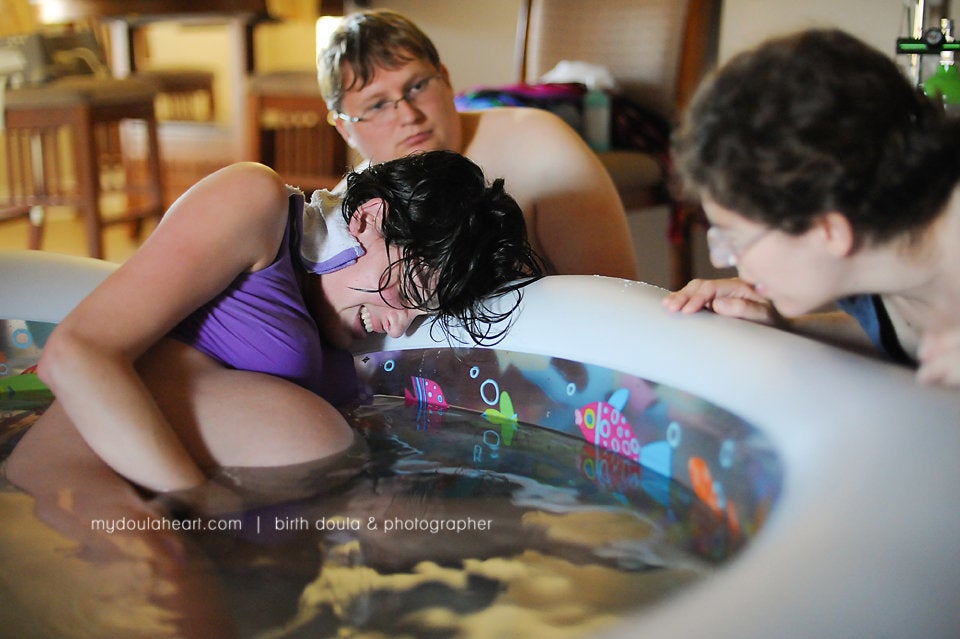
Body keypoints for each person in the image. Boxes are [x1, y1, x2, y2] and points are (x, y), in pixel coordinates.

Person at [5, 150, 543, 496]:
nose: (401, 327)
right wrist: (197, 506)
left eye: (422, 312)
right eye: (407, 291)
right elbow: (74, 355)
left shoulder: (338, 319)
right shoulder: (253, 203)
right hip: (93, 487)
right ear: (367, 217)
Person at [661, 29, 960, 387]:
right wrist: (786, 329)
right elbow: (901, 341)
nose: (723, 260)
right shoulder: (884, 260)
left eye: (735, 240)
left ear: (828, 231)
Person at [317, 9, 640, 280]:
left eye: (417, 86)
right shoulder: (348, 210)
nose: (409, 115)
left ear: (445, 79)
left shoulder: (541, 146)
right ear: (346, 129)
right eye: (377, 105)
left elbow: (614, 297)